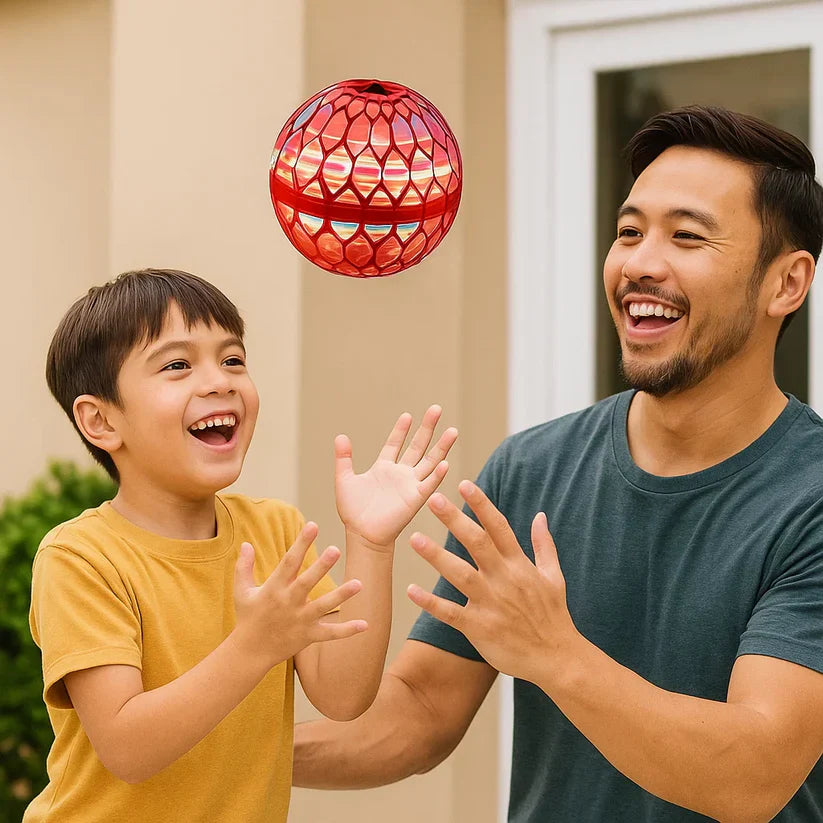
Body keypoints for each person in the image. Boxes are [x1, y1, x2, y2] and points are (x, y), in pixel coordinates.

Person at [293, 106, 823, 821]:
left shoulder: (808, 493)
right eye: (628, 232)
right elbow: (419, 711)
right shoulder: (533, 467)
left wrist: (555, 653)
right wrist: (215, 745)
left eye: (686, 236)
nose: (639, 263)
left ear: (785, 284)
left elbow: (753, 774)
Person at [24, 268, 457, 823]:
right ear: (101, 421)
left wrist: (369, 544)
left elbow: (345, 697)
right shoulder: (80, 559)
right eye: (178, 365)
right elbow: (128, 748)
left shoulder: (273, 529)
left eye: (233, 359)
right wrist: (253, 647)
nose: (220, 381)